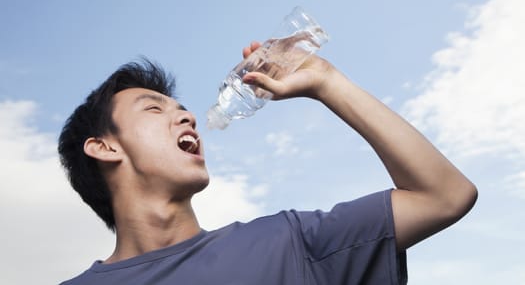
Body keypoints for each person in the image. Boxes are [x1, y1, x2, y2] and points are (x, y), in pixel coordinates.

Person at [58, 42, 477, 284]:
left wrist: (327, 82)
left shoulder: (290, 243)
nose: (186, 117)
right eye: (154, 109)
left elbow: (444, 195)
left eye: (183, 109)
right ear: (104, 148)